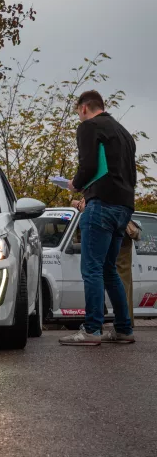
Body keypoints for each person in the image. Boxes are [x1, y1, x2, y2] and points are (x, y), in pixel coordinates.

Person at [59, 90, 137, 347]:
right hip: (124, 207)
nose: (79, 117)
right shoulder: (124, 134)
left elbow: (89, 166)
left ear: (83, 108)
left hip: (101, 204)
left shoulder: (89, 127)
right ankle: (123, 329)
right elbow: (131, 175)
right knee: (108, 269)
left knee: (91, 268)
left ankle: (92, 329)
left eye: (78, 112)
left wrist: (75, 184)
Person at [71, 196, 141, 329]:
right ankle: (124, 325)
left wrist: (79, 204)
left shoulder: (95, 192)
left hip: (106, 224)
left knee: (95, 272)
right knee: (115, 276)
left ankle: (95, 325)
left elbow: (92, 204)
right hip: (121, 223)